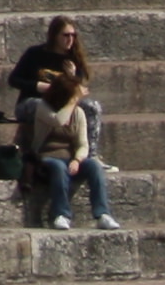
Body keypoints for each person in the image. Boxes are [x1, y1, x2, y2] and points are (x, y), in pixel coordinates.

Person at [23, 69, 116, 230]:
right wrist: (73, 101)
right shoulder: (44, 108)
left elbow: (82, 144)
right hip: (46, 157)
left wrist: (77, 160)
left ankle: (102, 214)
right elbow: (59, 120)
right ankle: (61, 215)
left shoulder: (78, 113)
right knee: (59, 167)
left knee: (94, 166)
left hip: (70, 159)